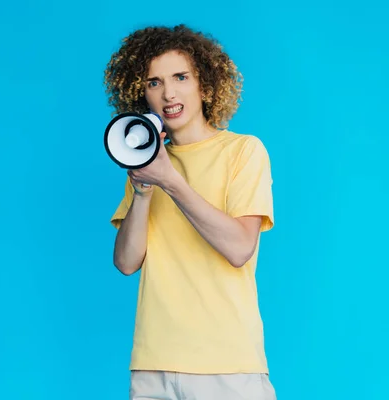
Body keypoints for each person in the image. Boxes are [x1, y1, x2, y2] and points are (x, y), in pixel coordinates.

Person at [104, 24, 277, 400]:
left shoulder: (243, 152)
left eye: (181, 77)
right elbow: (126, 262)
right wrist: (144, 190)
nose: (168, 93)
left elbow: (238, 248)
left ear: (205, 83)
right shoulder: (145, 163)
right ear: (141, 93)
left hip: (227, 363)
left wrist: (170, 180)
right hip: (153, 363)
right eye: (153, 82)